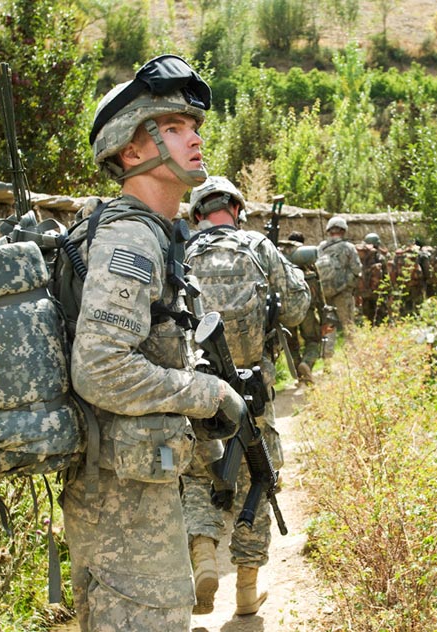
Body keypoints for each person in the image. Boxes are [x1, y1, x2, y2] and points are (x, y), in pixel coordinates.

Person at [59, 54, 249, 632]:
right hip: (120, 501)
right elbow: (101, 368)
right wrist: (204, 393)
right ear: (131, 150)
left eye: (192, 127)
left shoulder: (155, 234)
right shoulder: (131, 239)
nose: (193, 139)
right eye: (171, 127)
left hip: (135, 485)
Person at [182, 175, 310, 616]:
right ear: (237, 209)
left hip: (198, 391)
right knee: (260, 477)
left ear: (197, 215)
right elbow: (296, 307)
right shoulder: (259, 247)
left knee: (200, 477)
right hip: (254, 393)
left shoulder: (181, 254)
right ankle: (246, 591)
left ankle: (202, 559)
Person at [278, 231, 323, 382]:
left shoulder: (280, 264)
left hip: (286, 311)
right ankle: (307, 363)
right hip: (307, 311)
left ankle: (299, 373)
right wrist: (324, 316)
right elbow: (319, 290)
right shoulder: (308, 264)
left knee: (291, 344)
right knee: (313, 340)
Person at [315, 216, 361, 346]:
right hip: (344, 292)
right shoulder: (348, 247)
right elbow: (357, 269)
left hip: (325, 293)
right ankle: (353, 355)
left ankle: (327, 358)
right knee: (348, 325)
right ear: (343, 230)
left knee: (329, 326)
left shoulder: (321, 247)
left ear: (329, 230)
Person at [355, 232, 389, 325]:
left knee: (367, 315)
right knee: (381, 314)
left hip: (365, 291)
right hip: (378, 291)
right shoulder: (380, 257)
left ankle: (368, 329)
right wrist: (388, 290)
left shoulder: (360, 258)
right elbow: (386, 276)